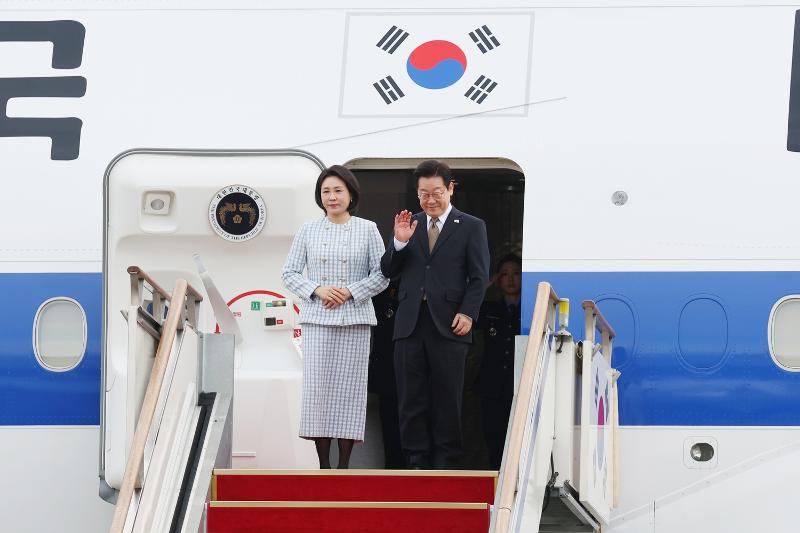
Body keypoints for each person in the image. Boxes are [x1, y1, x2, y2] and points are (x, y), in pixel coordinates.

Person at [380, 160, 490, 469]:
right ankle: (416, 459)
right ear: (417, 194)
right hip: (410, 323)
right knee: (410, 396)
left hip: (451, 323)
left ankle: (446, 460)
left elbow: (479, 276)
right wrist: (399, 242)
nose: (430, 199)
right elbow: (388, 271)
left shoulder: (471, 226)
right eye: (424, 193)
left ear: (451, 189)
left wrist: (468, 313)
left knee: (448, 396)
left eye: (437, 192)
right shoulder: (409, 224)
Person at [282, 165, 389, 469]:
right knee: (318, 392)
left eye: (338, 190)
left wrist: (351, 291)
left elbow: (382, 275)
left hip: (355, 321)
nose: (332, 197)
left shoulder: (368, 228)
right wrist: (317, 289)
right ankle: (323, 466)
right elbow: (288, 273)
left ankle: (343, 465)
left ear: (351, 194)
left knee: (350, 393)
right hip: (317, 321)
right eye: (326, 191)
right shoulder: (308, 230)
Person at [475, 253, 522, 470]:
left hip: (520, 386)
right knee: (494, 441)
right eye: (504, 274)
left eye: (516, 273)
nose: (511, 279)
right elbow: (458, 315)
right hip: (492, 387)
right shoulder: (489, 309)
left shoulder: (530, 309)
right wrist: (482, 287)